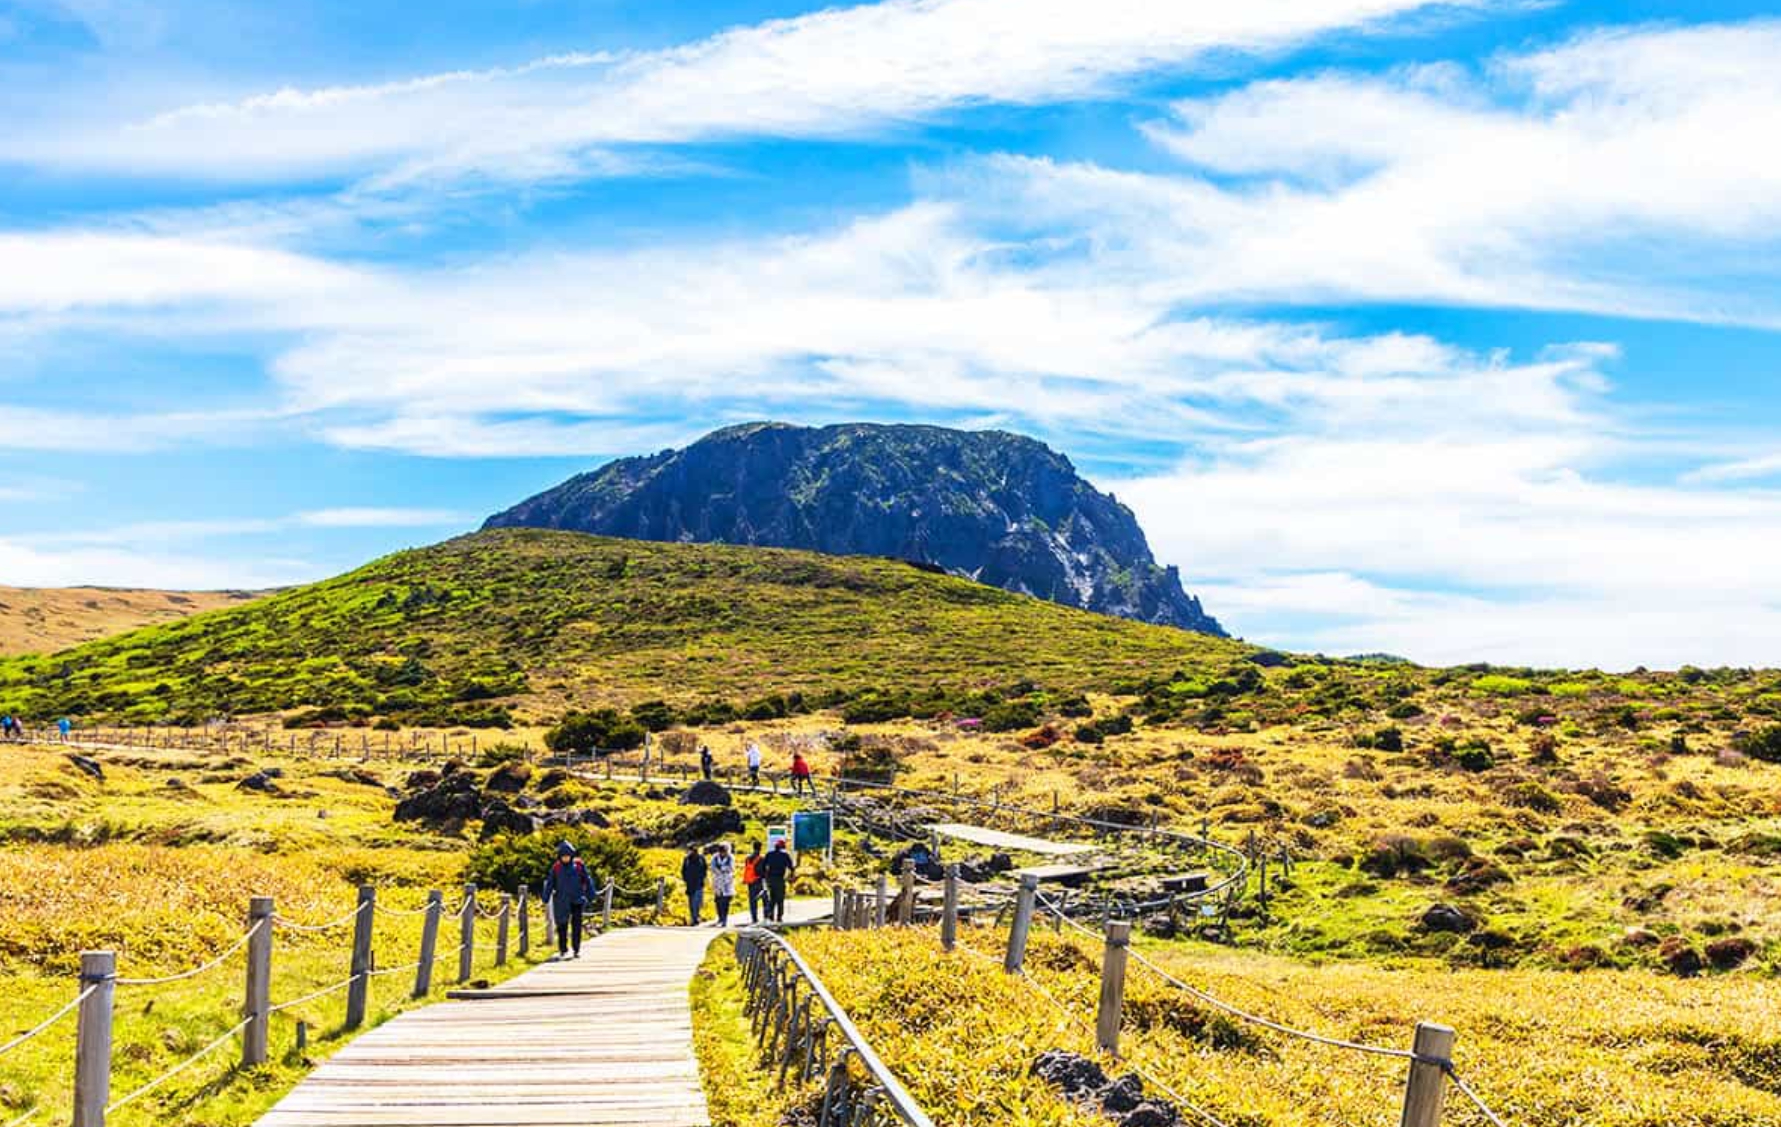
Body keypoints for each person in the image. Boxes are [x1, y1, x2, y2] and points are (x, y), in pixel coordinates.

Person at [545, 841, 595, 959]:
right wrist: (546, 896)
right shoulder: (556, 867)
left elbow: (587, 880)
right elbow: (550, 883)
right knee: (562, 925)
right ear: (560, 856)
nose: (565, 858)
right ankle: (563, 949)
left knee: (577, 925)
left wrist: (591, 893)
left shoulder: (578, 866)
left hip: (577, 899)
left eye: (567, 856)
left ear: (572, 855)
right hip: (561, 900)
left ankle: (576, 949)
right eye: (563, 856)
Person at [758, 839, 796, 923]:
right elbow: (791, 868)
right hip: (780, 879)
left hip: (770, 879)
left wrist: (765, 876)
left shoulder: (769, 854)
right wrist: (791, 877)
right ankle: (779, 917)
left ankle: (771, 916)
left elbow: (763, 866)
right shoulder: (785, 855)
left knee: (772, 899)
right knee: (780, 899)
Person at [709, 842, 735, 927]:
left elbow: (731, 868)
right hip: (717, 882)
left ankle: (724, 919)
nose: (723, 853)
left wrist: (722, 868)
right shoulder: (715, 857)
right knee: (718, 901)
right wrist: (719, 870)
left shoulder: (730, 857)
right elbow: (712, 868)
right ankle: (720, 917)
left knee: (726, 901)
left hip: (727, 882)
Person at [681, 845, 708, 926]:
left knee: (698, 901)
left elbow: (704, 869)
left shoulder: (701, 858)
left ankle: (696, 916)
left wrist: (702, 878)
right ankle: (694, 918)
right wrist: (686, 879)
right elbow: (683, 870)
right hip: (690, 884)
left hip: (699, 883)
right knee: (691, 902)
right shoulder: (686, 859)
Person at [743, 840, 765, 924]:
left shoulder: (748, 858)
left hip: (750, 882)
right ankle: (765, 916)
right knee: (765, 899)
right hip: (759, 881)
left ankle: (754, 918)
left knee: (752, 900)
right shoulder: (761, 858)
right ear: (760, 848)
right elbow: (763, 871)